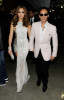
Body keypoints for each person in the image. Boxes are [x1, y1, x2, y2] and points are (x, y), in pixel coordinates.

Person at [29, 7, 58, 92]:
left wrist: (54, 54)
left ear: (48, 15)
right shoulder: (34, 25)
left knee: (44, 70)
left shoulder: (52, 27)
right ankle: (39, 78)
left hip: (47, 52)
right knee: (38, 69)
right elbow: (31, 37)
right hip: (37, 51)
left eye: (45, 14)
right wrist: (31, 47)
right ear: (39, 16)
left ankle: (45, 82)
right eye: (41, 14)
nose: (43, 16)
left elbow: (55, 42)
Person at [8, 5, 31, 92]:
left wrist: (32, 46)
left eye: (23, 12)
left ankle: (20, 82)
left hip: (25, 46)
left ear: (25, 13)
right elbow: (10, 36)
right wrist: (9, 47)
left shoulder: (28, 23)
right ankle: (21, 79)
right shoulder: (13, 23)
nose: (21, 14)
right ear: (16, 13)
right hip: (17, 45)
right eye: (19, 12)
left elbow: (30, 36)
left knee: (21, 62)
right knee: (20, 63)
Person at [0, 15, 8, 86]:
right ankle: (5, 77)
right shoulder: (2, 20)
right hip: (2, 45)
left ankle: (2, 81)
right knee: (2, 63)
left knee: (1, 63)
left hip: (1, 45)